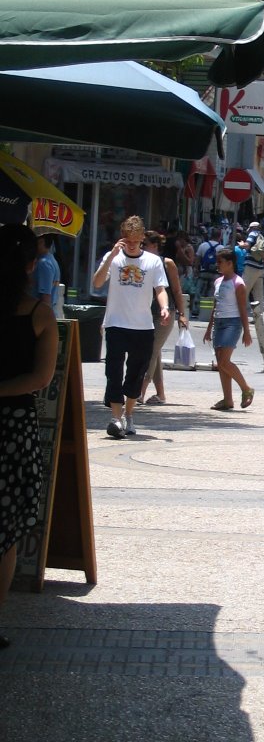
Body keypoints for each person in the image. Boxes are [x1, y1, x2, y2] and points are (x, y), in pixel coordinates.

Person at [0, 225, 58, 647]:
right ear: (30, 265)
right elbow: (40, 378)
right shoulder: (39, 316)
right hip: (12, 428)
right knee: (6, 531)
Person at [92, 215, 170, 439]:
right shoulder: (113, 258)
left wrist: (164, 307)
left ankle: (128, 413)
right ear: (122, 238)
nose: (133, 245)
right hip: (116, 323)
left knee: (136, 373)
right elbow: (97, 283)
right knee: (113, 371)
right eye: (129, 241)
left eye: (137, 241)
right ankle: (115, 418)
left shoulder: (153, 262)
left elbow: (160, 289)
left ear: (142, 239)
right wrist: (111, 258)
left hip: (142, 326)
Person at [139, 231, 188, 405]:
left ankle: (140, 391)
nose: (141, 247)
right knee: (155, 352)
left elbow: (176, 290)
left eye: (144, 244)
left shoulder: (167, 263)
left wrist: (182, 315)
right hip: (145, 312)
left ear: (155, 246)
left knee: (150, 350)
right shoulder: (140, 263)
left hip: (165, 313)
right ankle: (161, 395)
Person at [204, 248, 254, 411]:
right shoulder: (218, 282)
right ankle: (227, 399)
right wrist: (209, 327)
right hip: (219, 322)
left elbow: (242, 308)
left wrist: (246, 331)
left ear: (230, 263)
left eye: (220, 262)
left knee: (225, 361)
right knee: (220, 362)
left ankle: (246, 388)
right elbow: (215, 305)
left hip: (232, 323)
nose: (217, 265)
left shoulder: (238, 283)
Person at [242, 220, 264, 306]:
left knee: (243, 291)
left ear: (252, 228)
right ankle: (258, 315)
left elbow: (247, 245)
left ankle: (242, 312)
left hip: (251, 267)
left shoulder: (253, 234)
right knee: (258, 294)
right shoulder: (262, 236)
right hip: (260, 267)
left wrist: (241, 244)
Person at [195, 227, 224, 302]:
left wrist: (196, 270)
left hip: (203, 272)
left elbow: (197, 260)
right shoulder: (221, 248)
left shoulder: (203, 245)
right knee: (212, 293)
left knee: (199, 292)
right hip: (216, 274)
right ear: (220, 236)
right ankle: (209, 309)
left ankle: (196, 308)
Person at [33, 233, 60, 309]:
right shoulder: (51, 260)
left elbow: (46, 297)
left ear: (41, 242)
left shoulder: (44, 263)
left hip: (40, 315)